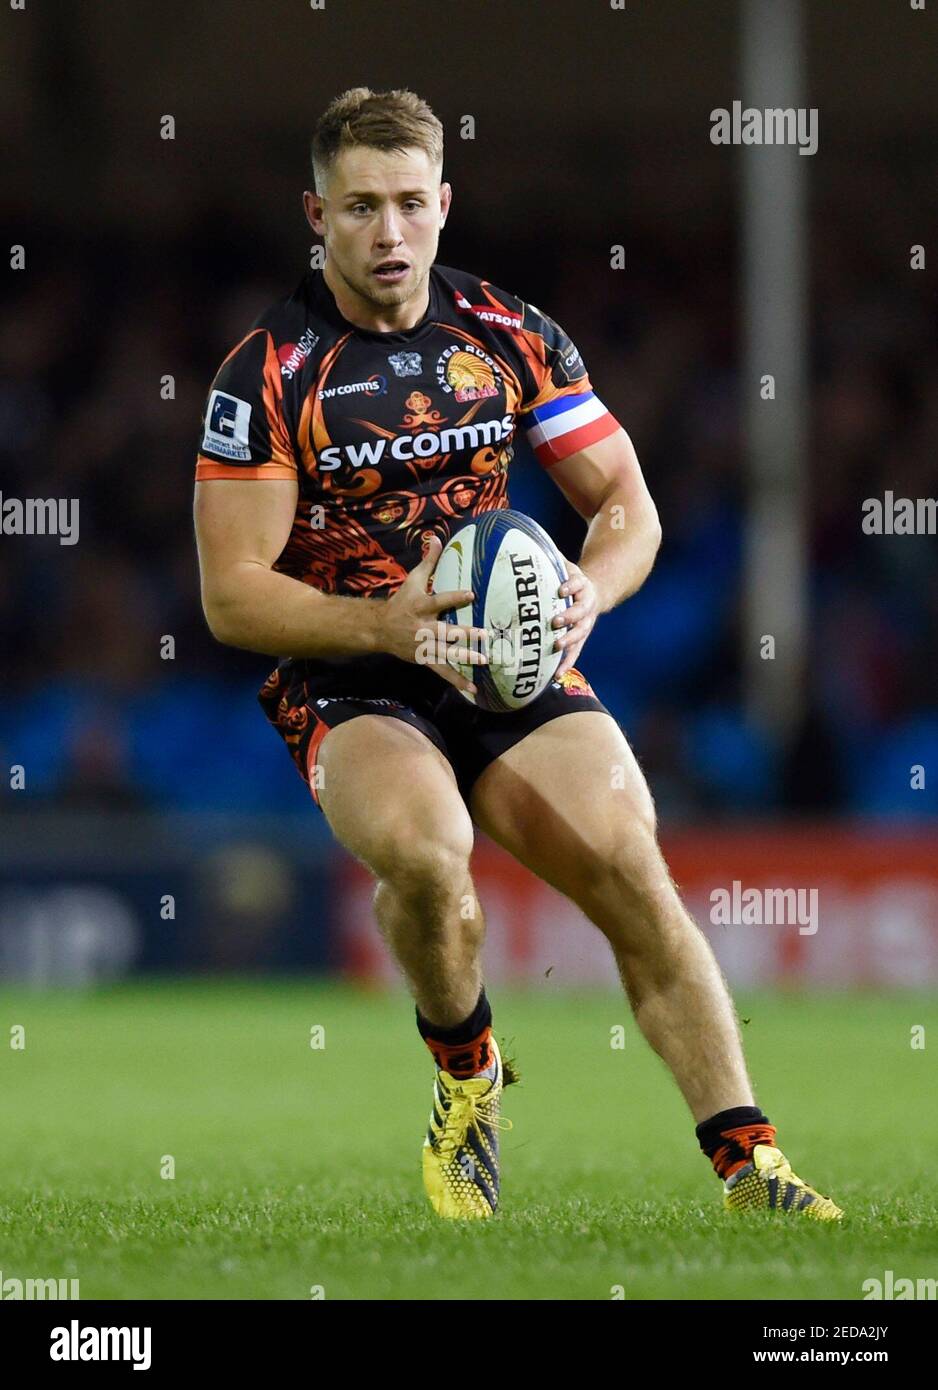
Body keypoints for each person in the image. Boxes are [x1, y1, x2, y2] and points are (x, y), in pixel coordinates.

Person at [193, 86, 841, 1222]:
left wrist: (588, 588)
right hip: (353, 672)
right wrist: (386, 624)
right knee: (430, 856)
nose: (386, 233)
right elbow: (232, 595)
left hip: (507, 654)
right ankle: (467, 1079)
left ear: (443, 204)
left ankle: (752, 1167)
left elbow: (626, 504)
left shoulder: (510, 334)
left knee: (634, 870)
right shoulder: (266, 377)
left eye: (406, 204)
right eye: (358, 208)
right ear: (316, 215)